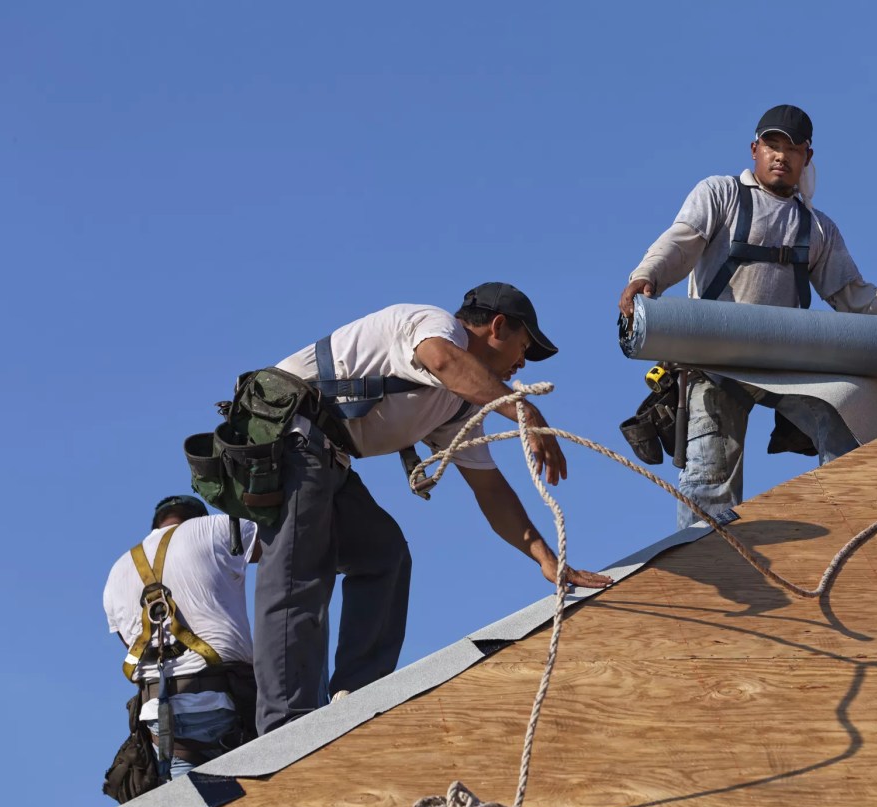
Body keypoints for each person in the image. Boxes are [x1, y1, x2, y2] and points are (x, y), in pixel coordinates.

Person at [252, 282, 613, 734]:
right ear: (497, 326)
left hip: (327, 458)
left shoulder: (456, 404)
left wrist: (547, 559)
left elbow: (490, 489)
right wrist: (526, 412)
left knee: (383, 554)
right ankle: (285, 726)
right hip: (289, 440)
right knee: (296, 571)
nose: (521, 364)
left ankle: (356, 696)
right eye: (523, 348)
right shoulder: (433, 325)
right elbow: (442, 359)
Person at [618, 104, 877, 529]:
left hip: (786, 366)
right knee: (708, 477)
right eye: (772, 145)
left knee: (845, 426)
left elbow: (852, 293)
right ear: (754, 148)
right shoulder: (721, 194)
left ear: (807, 158)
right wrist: (647, 276)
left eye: (793, 149)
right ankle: (705, 556)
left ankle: (851, 533)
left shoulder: (815, 227)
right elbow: (680, 242)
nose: (781, 156)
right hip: (715, 362)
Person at [103, 495, 260, 779]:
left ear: (156, 526)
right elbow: (280, 544)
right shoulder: (212, 528)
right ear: (199, 517)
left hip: (159, 724)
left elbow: (131, 646)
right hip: (221, 701)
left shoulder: (117, 571)